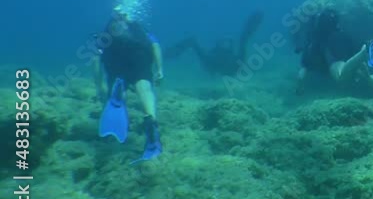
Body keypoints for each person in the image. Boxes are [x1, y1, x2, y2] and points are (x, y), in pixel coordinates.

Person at [91, 12, 163, 162]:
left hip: (116, 61)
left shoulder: (108, 31)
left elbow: (95, 58)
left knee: (118, 81)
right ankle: (151, 120)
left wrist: (99, 85)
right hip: (139, 58)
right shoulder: (140, 29)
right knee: (145, 89)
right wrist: (160, 69)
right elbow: (155, 46)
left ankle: (118, 93)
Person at [165, 11, 264, 75]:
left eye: (227, 44)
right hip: (216, 65)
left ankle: (170, 54)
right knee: (193, 42)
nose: (225, 47)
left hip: (222, 66)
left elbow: (243, 40)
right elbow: (243, 40)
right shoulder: (213, 59)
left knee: (243, 41)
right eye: (222, 44)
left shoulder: (233, 62)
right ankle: (169, 54)